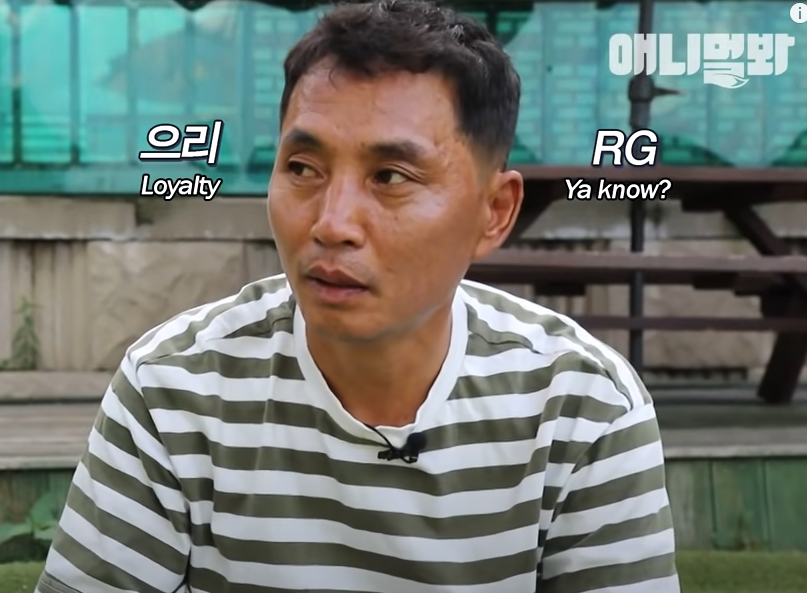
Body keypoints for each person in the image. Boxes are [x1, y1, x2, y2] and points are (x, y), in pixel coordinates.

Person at [35, 1, 680, 592]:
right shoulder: (173, 390)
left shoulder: (582, 406)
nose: (332, 223)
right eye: (303, 169)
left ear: (494, 211)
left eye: (390, 177)